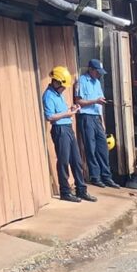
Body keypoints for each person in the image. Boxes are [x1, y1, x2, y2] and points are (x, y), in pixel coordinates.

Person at [42, 66, 95, 204]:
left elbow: (62, 112)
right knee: (64, 160)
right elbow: (50, 117)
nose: (64, 89)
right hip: (60, 129)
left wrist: (70, 109)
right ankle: (65, 191)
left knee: (76, 160)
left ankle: (81, 189)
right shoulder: (48, 95)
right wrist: (67, 113)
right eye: (63, 86)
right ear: (57, 82)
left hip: (67, 127)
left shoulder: (58, 94)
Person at [75, 58, 116, 187]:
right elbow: (78, 101)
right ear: (91, 69)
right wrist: (94, 101)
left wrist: (102, 120)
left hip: (97, 117)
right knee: (91, 148)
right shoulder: (82, 81)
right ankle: (95, 176)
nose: (99, 74)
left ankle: (106, 176)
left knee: (103, 147)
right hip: (86, 117)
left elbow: (100, 103)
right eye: (97, 72)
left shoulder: (97, 82)